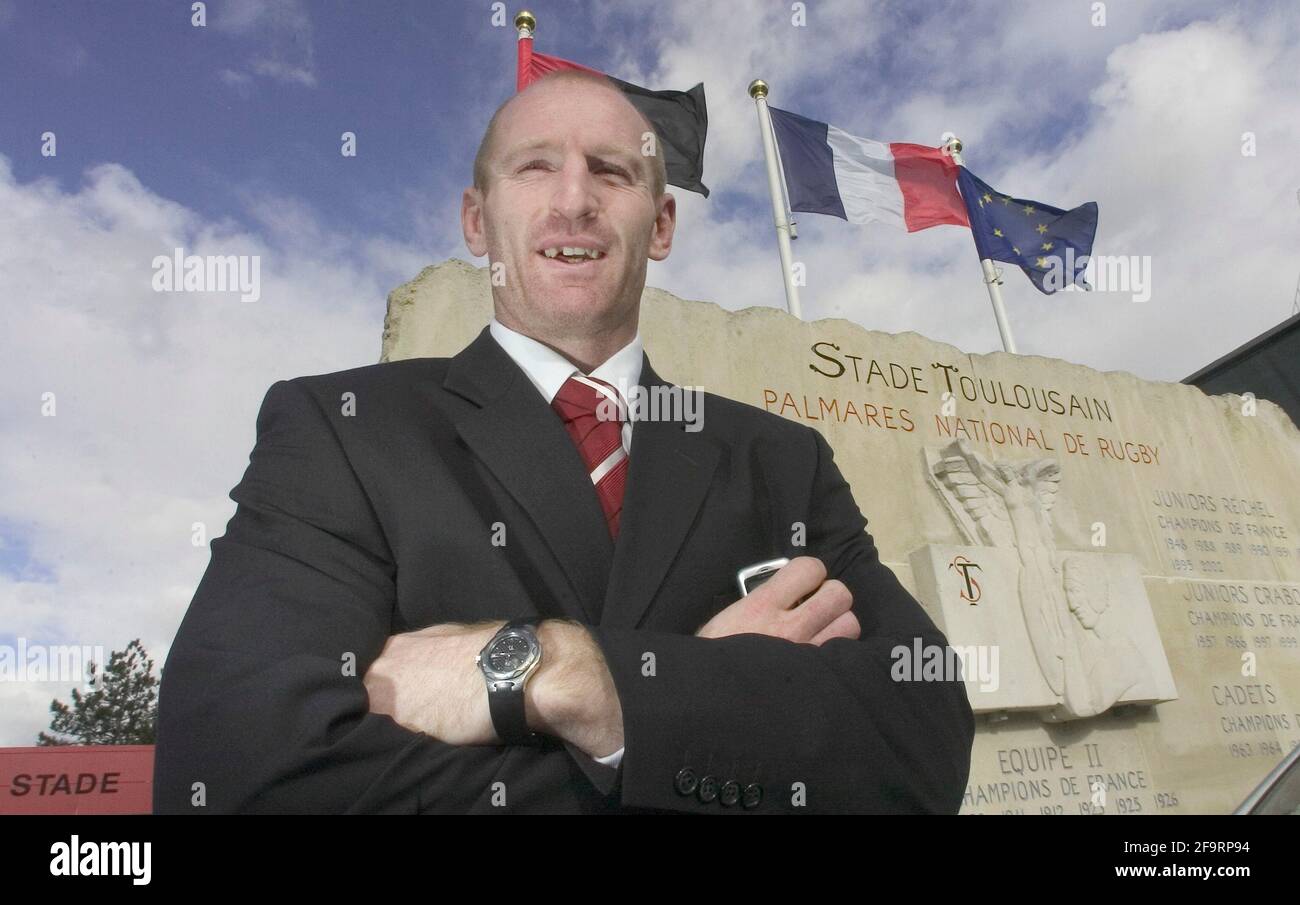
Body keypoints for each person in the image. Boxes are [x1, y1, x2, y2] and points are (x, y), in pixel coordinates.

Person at [153, 69, 975, 814]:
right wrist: (709, 707)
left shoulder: (781, 461)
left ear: (660, 226)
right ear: (477, 221)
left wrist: (569, 673)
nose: (574, 199)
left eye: (611, 171)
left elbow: (924, 741)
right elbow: (236, 774)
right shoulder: (340, 430)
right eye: (535, 165)